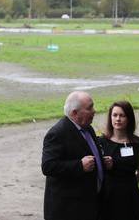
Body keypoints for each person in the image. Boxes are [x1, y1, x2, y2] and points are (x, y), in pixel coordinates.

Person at [41, 91, 104, 220]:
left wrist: (102, 161)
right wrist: (79, 165)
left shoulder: (88, 128)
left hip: (88, 205)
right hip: (68, 210)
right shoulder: (57, 133)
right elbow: (48, 166)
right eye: (90, 108)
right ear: (75, 113)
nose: (94, 111)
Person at [99, 101, 139, 220]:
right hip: (107, 196)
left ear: (129, 118)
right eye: (115, 115)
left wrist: (128, 184)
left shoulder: (138, 142)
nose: (118, 119)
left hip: (130, 196)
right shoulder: (101, 142)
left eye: (122, 115)